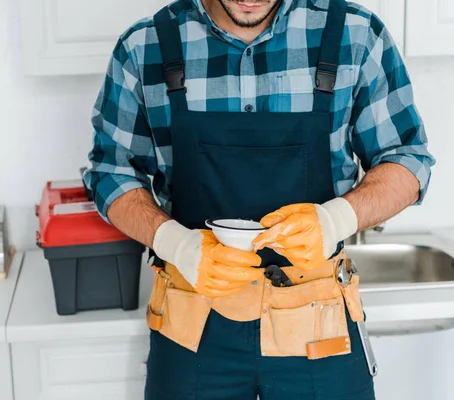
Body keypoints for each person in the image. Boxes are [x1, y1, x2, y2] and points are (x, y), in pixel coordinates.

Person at [83, 0, 435, 398]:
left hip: (318, 323)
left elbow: (408, 159)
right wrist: (175, 244)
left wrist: (335, 220)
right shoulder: (145, 46)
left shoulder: (355, 35)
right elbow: (110, 172)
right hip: (191, 322)